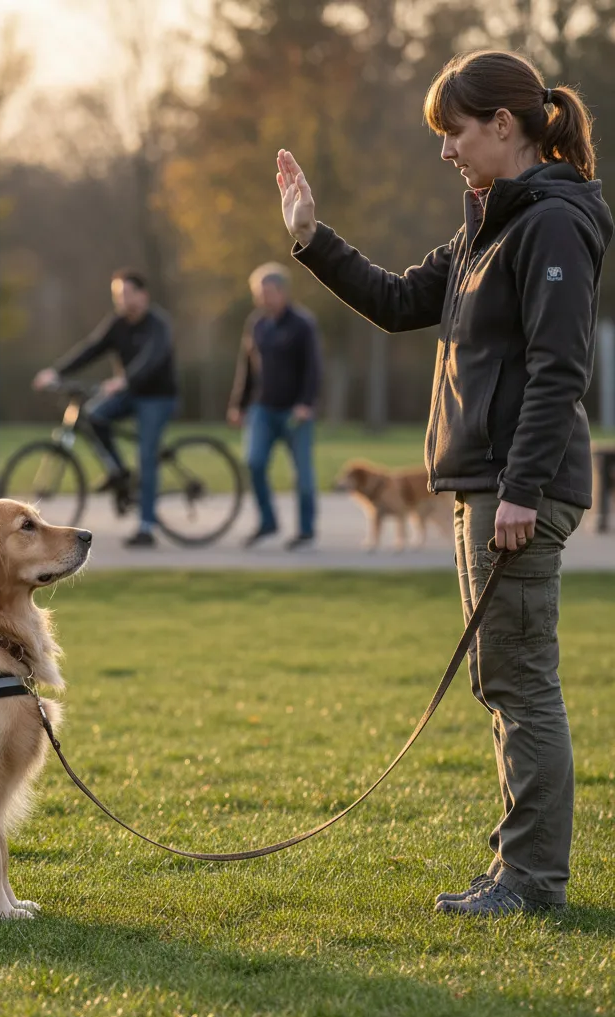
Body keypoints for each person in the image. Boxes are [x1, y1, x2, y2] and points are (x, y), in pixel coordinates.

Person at [278, 50, 612, 917]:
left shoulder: (552, 224)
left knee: (521, 680)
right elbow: (395, 301)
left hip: (516, 490)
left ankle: (533, 883)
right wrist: (312, 237)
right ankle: (516, 870)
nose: (444, 152)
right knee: (502, 678)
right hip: (486, 485)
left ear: (505, 125)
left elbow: (558, 369)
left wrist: (523, 490)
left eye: (454, 132)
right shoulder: (486, 224)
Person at [33, 269, 178, 548]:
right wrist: (56, 371)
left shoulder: (158, 325)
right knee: (93, 415)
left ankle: (146, 527)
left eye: (126, 294)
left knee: (147, 456)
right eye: (117, 295)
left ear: (142, 295)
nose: (121, 300)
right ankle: (119, 472)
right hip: (128, 393)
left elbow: (152, 359)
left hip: (157, 397)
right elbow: (92, 348)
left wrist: (125, 380)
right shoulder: (118, 324)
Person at [227, 262, 321, 550]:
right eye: (258, 293)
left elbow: (314, 368)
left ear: (281, 291)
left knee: (302, 475)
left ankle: (305, 530)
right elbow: (247, 366)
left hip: (295, 412)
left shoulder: (303, 323)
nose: (261, 298)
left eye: (266, 292)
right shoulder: (257, 324)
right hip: (263, 409)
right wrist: (238, 404)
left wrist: (306, 403)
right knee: (253, 462)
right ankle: (268, 521)